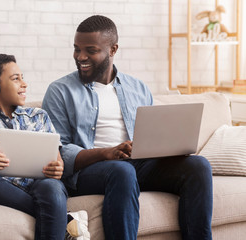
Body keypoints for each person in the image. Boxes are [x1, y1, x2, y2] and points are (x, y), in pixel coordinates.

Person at [42, 15, 213, 240]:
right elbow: (58, 151)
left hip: (137, 165)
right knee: (121, 169)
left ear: (112, 50)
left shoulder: (137, 88)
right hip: (90, 171)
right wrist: (106, 153)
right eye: (77, 49)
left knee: (198, 166)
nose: (80, 57)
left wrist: (170, 148)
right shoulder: (60, 91)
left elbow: (152, 135)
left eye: (90, 50)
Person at [0, 54, 82, 240]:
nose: (24, 84)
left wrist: (57, 168)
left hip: (42, 185)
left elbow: (57, 160)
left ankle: (54, 212)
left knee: (52, 188)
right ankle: (62, 218)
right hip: (6, 188)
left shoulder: (39, 116)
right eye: (16, 79)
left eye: (22, 78)